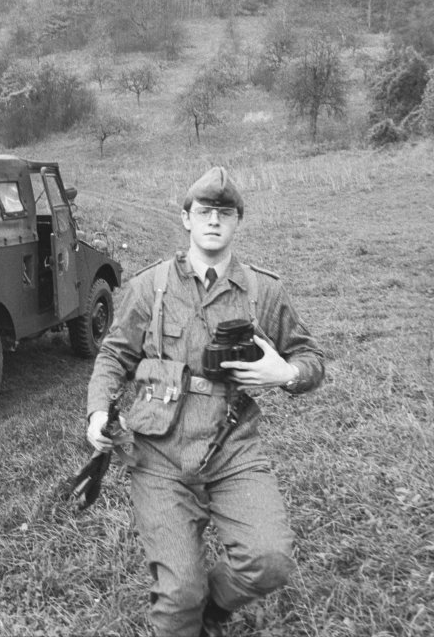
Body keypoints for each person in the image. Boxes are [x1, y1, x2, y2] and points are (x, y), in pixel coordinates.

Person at [85, 167, 324, 637]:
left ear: (237, 221)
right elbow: (113, 355)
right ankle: (188, 609)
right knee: (178, 594)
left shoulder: (263, 291)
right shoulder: (150, 286)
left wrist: (286, 373)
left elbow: (311, 358)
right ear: (186, 218)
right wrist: (97, 411)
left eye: (225, 213)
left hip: (232, 446)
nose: (214, 220)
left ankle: (210, 607)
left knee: (269, 560)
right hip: (158, 452)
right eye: (204, 211)